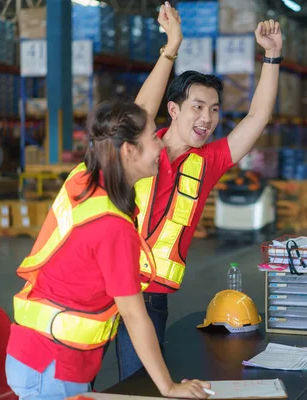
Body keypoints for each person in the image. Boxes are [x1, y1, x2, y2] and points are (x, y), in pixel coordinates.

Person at [5, 3, 211, 399]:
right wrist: (167, 387)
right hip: (52, 367)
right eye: (154, 137)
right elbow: (135, 314)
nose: (160, 143)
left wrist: (171, 48)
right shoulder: (112, 227)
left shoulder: (86, 178)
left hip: (40, 356)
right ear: (128, 152)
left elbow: (136, 117)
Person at [115, 19, 283, 380]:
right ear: (174, 110)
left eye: (215, 109)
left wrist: (271, 57)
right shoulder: (140, 148)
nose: (207, 118)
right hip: (100, 287)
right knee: (78, 381)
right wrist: (172, 45)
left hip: (147, 301)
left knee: (138, 386)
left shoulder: (209, 161)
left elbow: (258, 117)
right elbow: (142, 109)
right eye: (197, 107)